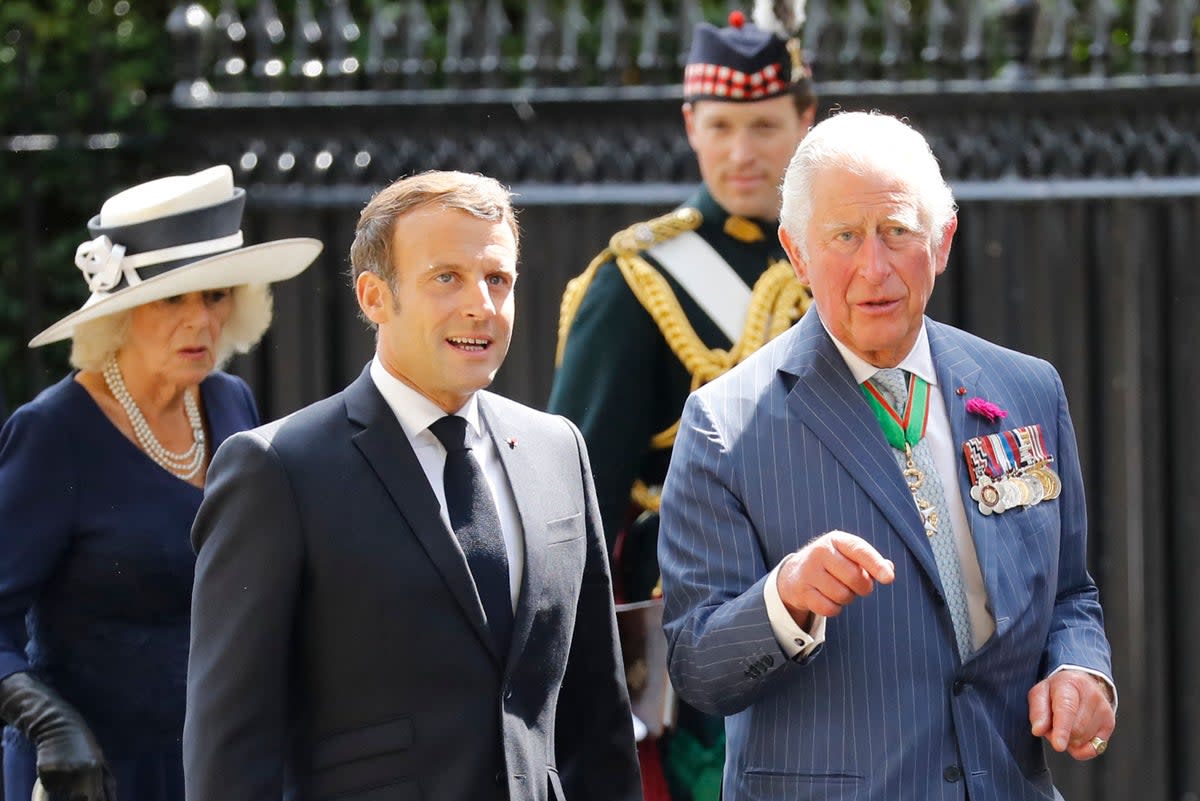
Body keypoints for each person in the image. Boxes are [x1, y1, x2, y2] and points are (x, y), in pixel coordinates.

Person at [658, 111, 1117, 800]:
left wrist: (1083, 671)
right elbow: (696, 666)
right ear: (797, 252)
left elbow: (1069, 594)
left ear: (942, 241)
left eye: (898, 231)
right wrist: (783, 599)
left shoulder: (1028, 388)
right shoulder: (725, 424)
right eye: (844, 236)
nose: (874, 266)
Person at [184, 170, 641, 801]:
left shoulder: (557, 450)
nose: (480, 304)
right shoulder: (277, 470)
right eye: (446, 277)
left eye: (497, 279)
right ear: (375, 297)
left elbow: (599, 714)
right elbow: (230, 749)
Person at [547, 6, 815, 798]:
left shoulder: (841, 257)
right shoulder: (637, 279)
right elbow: (578, 491)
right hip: (702, 612)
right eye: (721, 124)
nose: (742, 151)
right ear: (689, 123)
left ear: (806, 120)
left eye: (765, 125)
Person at [0, 165, 321, 801]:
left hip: (224, 767)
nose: (201, 322)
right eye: (172, 298)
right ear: (119, 313)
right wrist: (46, 719)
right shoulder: (53, 434)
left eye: (216, 294)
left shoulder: (231, 405)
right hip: (92, 777)